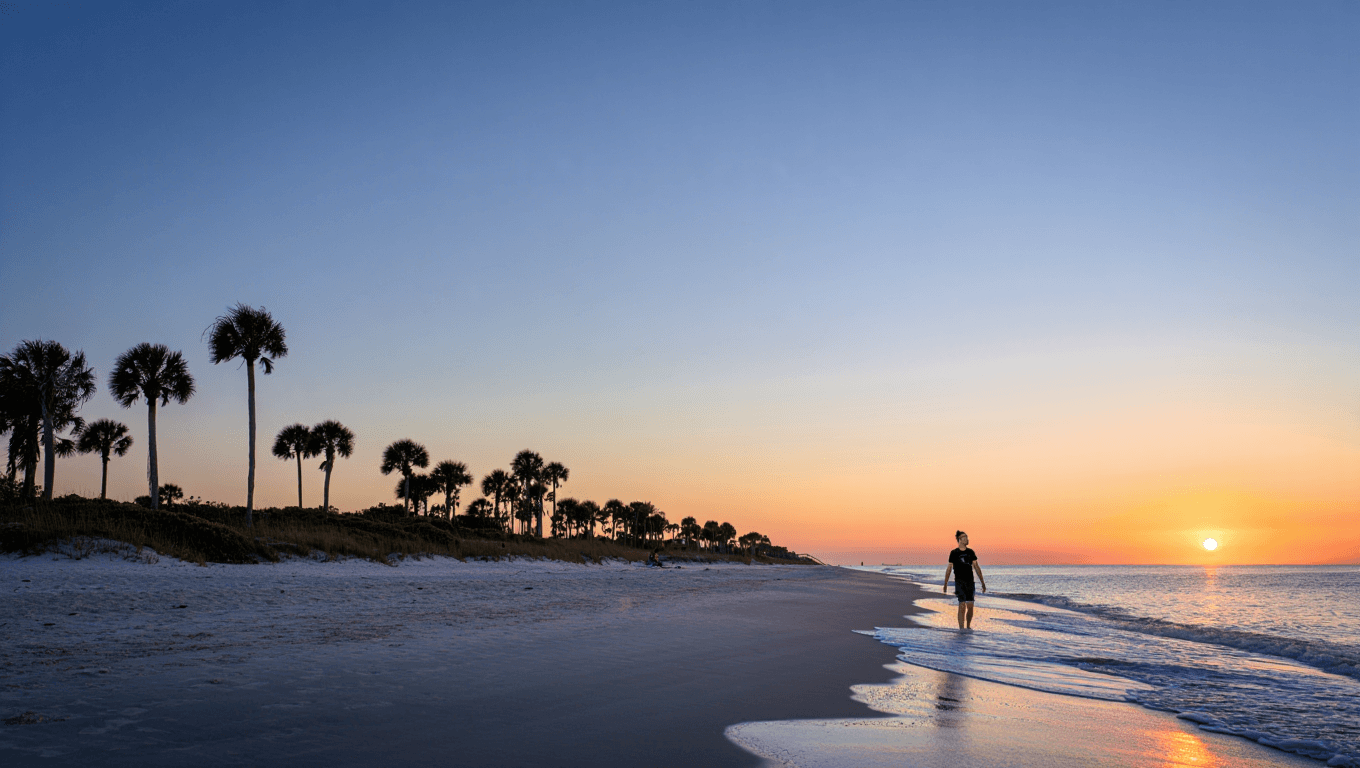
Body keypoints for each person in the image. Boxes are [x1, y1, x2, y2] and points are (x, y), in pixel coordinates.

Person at [943, 530, 985, 630]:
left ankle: (968, 626)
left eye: (967, 537)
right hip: (959, 582)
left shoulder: (971, 552)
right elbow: (949, 568)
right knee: (962, 605)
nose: (967, 539)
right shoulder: (954, 553)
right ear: (960, 540)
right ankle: (961, 629)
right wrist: (945, 583)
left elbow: (976, 567)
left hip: (970, 582)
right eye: (965, 537)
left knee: (970, 606)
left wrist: (982, 582)